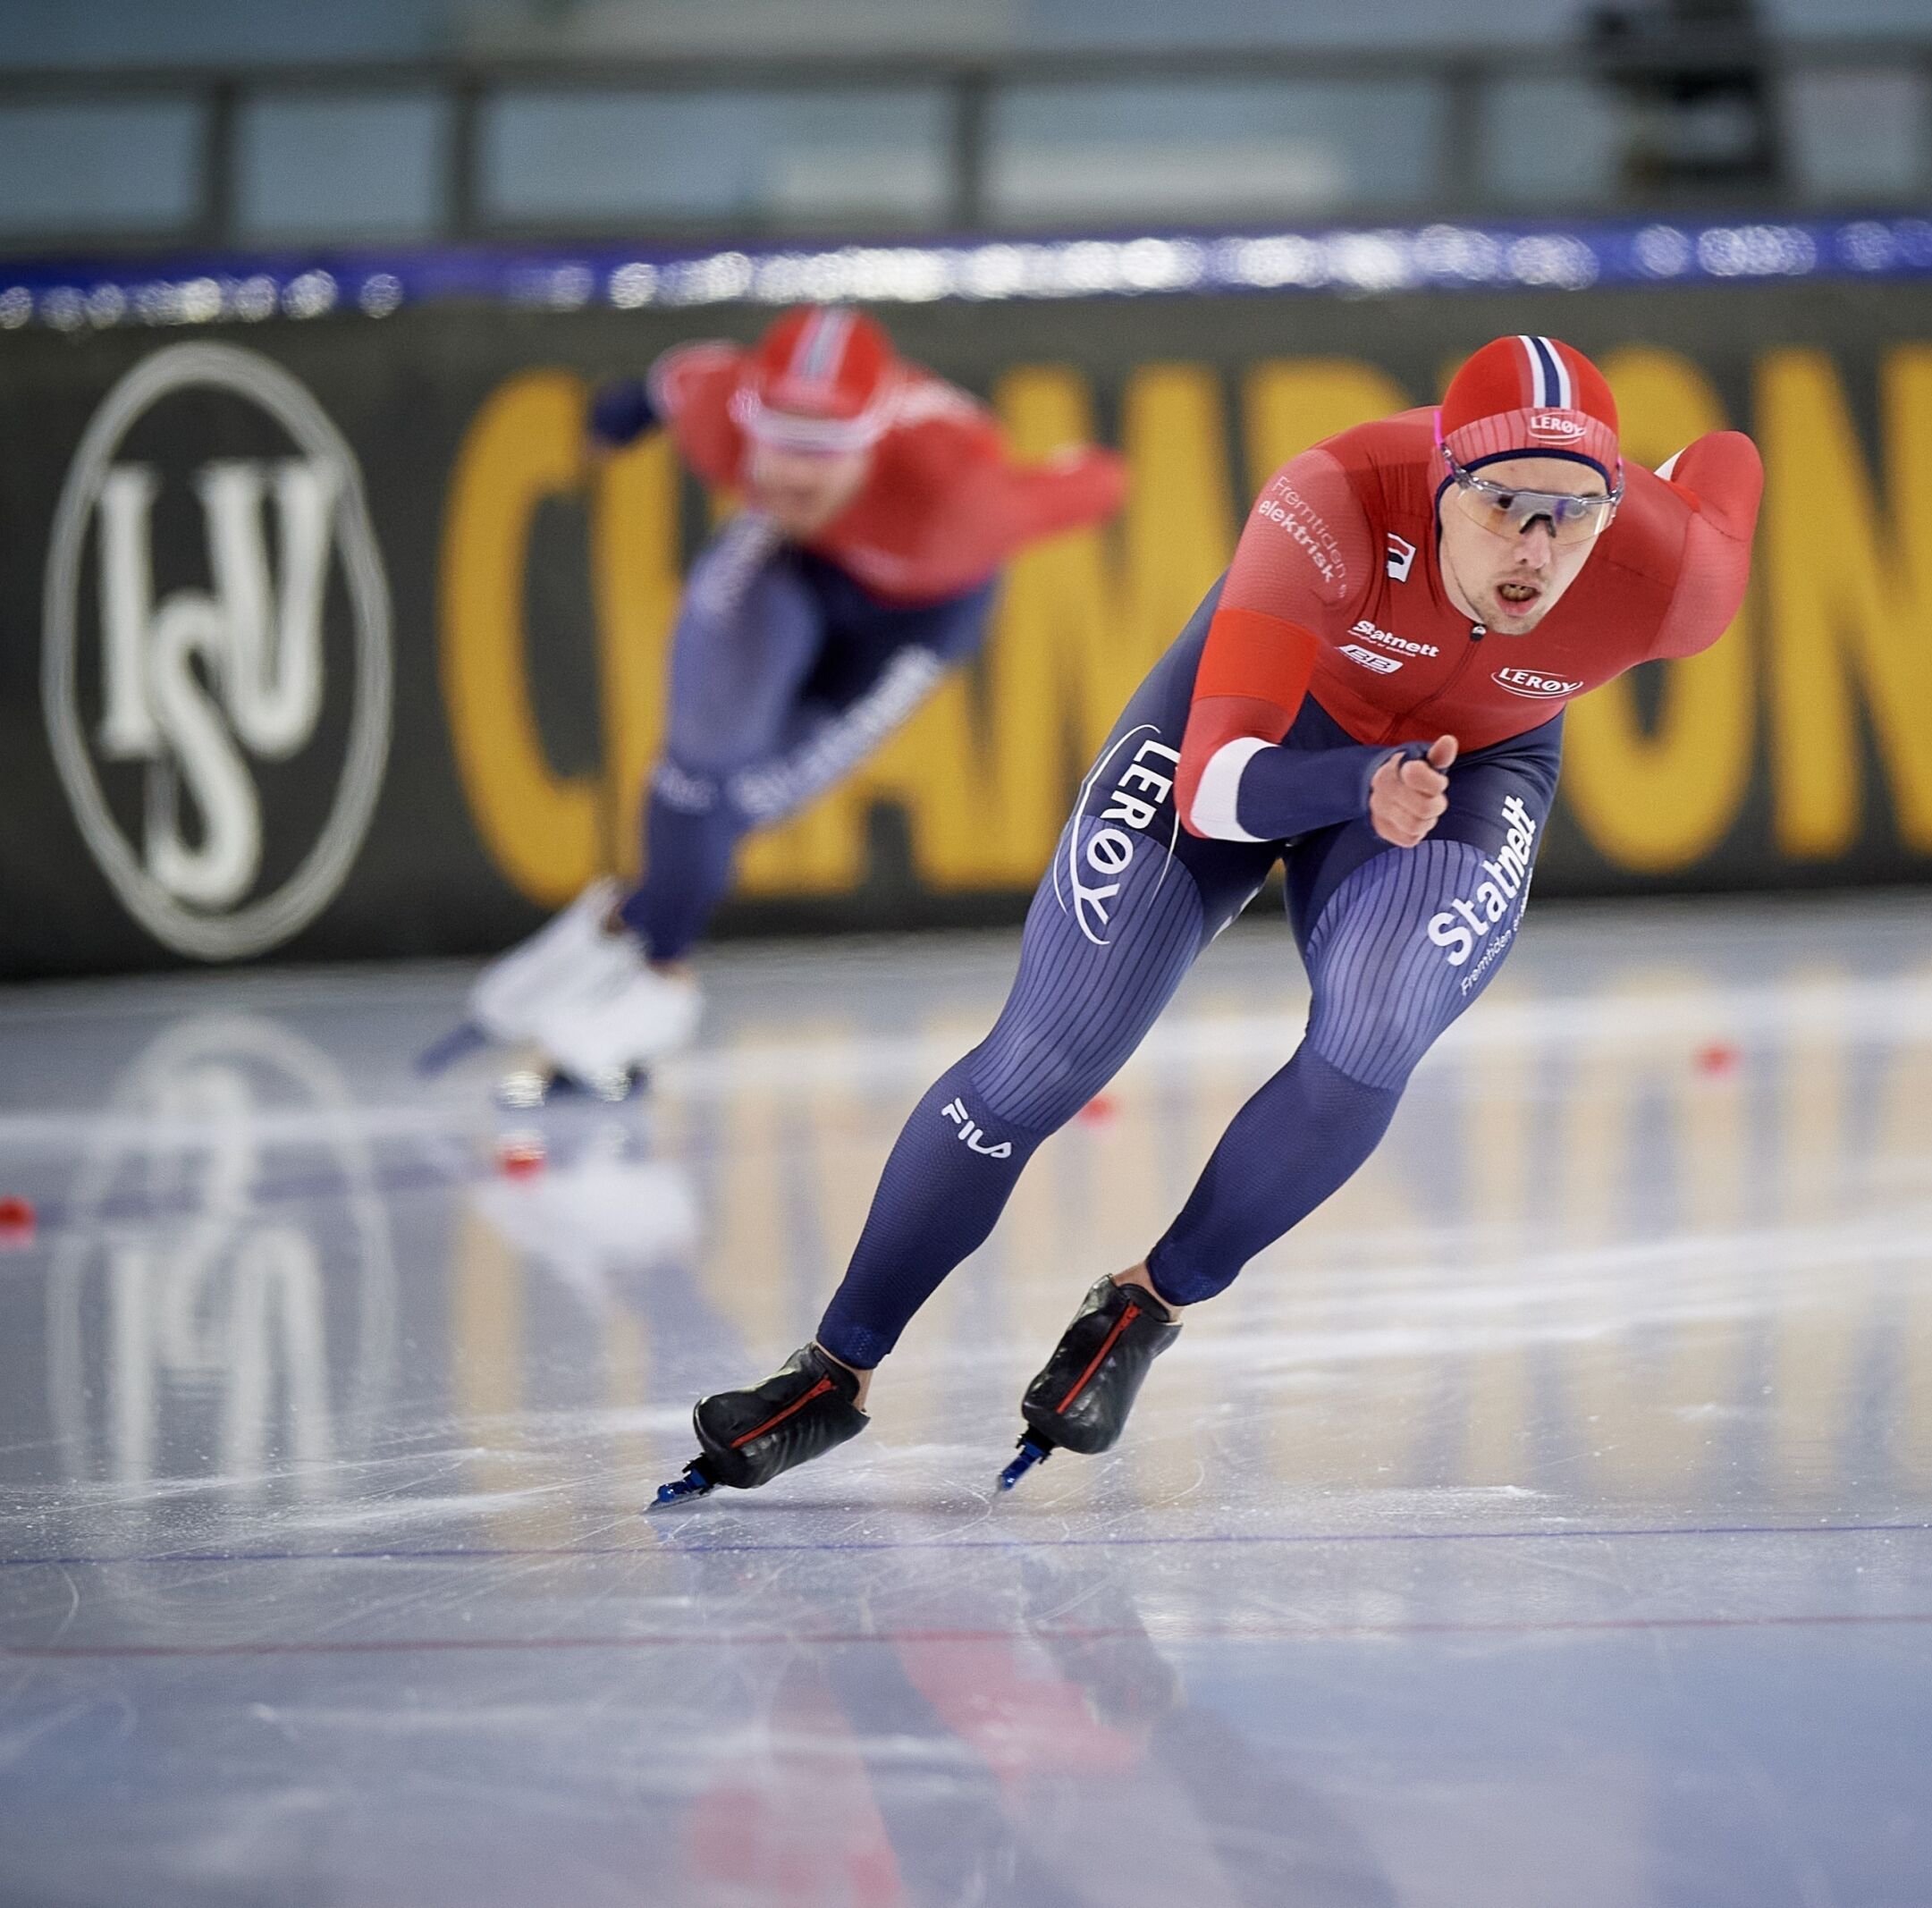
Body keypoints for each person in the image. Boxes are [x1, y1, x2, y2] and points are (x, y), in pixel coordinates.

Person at [661, 333, 1760, 1500]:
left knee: (1376, 1031)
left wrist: (1403, 780)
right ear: (1442, 481)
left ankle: (1152, 1298)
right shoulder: (1330, 500)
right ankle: (836, 1366)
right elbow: (1212, 784)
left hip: (1473, 765)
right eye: (1502, 505)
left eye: (1573, 511)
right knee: (1044, 1056)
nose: (1538, 547)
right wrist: (1357, 784)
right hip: (1248, 734)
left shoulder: (1672, 572)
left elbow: (1725, 462)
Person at [468, 304, 1126, 1092]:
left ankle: (629, 927)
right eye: (776, 437)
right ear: (749, 412)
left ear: (874, 439)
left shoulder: (960, 499)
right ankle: (657, 974)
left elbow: (1099, 484)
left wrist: (1081, 465)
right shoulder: (719, 415)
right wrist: (618, 420)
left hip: (915, 620)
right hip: (793, 562)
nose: (788, 470)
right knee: (695, 767)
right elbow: (666, 384)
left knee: (746, 796)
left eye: (823, 448)